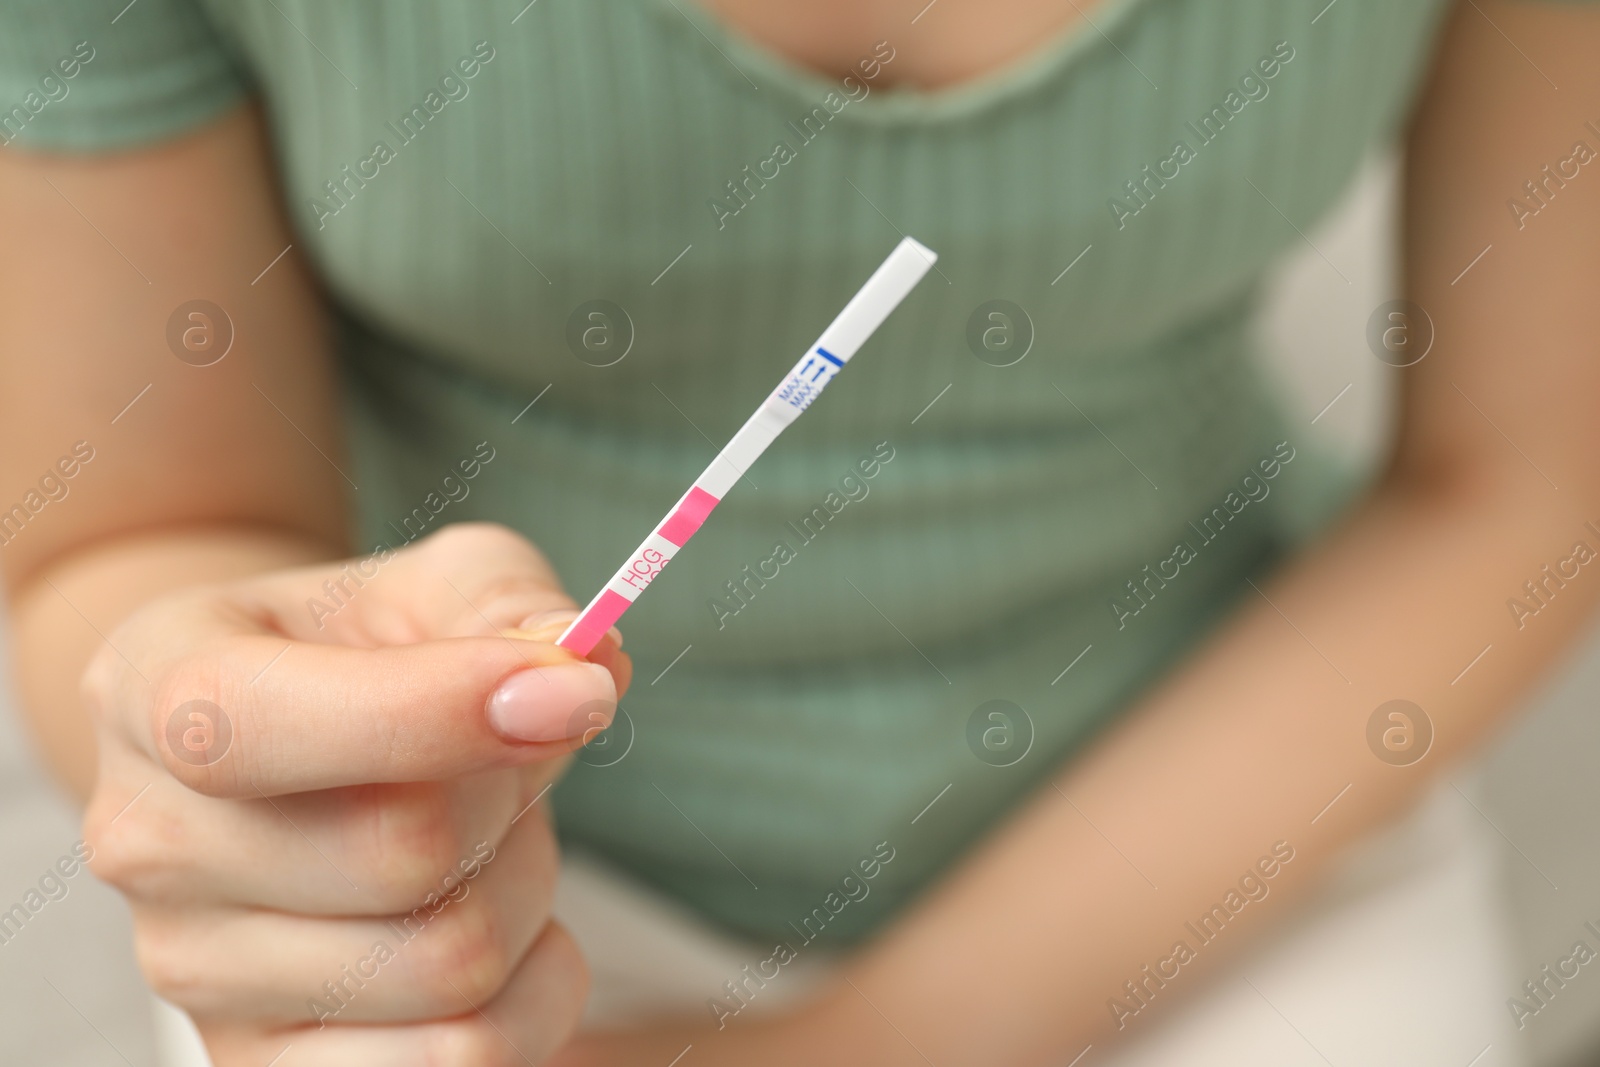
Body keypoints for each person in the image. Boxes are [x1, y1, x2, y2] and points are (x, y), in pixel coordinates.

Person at [2, 0, 1598, 1063]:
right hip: (467, 888)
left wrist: (874, 1044)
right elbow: (148, 526)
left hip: (1225, 822)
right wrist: (242, 753)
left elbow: (1520, 486)